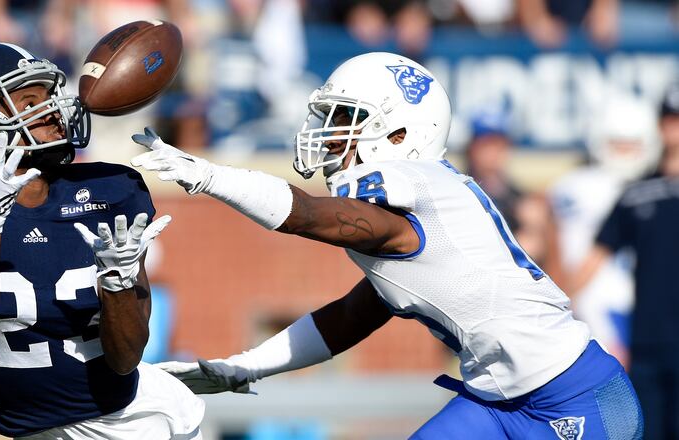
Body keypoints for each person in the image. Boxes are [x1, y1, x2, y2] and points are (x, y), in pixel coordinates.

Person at [134, 52, 643, 439]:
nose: (329, 134)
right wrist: (246, 366)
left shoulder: (416, 192)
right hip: (494, 400)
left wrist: (210, 177)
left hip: (576, 398)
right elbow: (349, 316)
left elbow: (306, 216)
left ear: (399, 136)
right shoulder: (414, 212)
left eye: (345, 119)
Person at [0, 42, 203, 439]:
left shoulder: (110, 189)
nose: (53, 111)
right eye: (29, 102)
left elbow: (126, 357)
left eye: (50, 96)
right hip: (32, 429)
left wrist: (118, 283)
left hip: (135, 422)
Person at [574, 83, 679, 440]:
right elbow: (595, 257)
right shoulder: (637, 194)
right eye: (671, 119)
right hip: (648, 342)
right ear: (660, 126)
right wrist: (556, 305)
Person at [551, 93, 661, 367]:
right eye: (618, 145)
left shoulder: (659, 187)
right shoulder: (578, 187)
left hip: (646, 302)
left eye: (631, 146)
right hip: (594, 302)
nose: (625, 153)